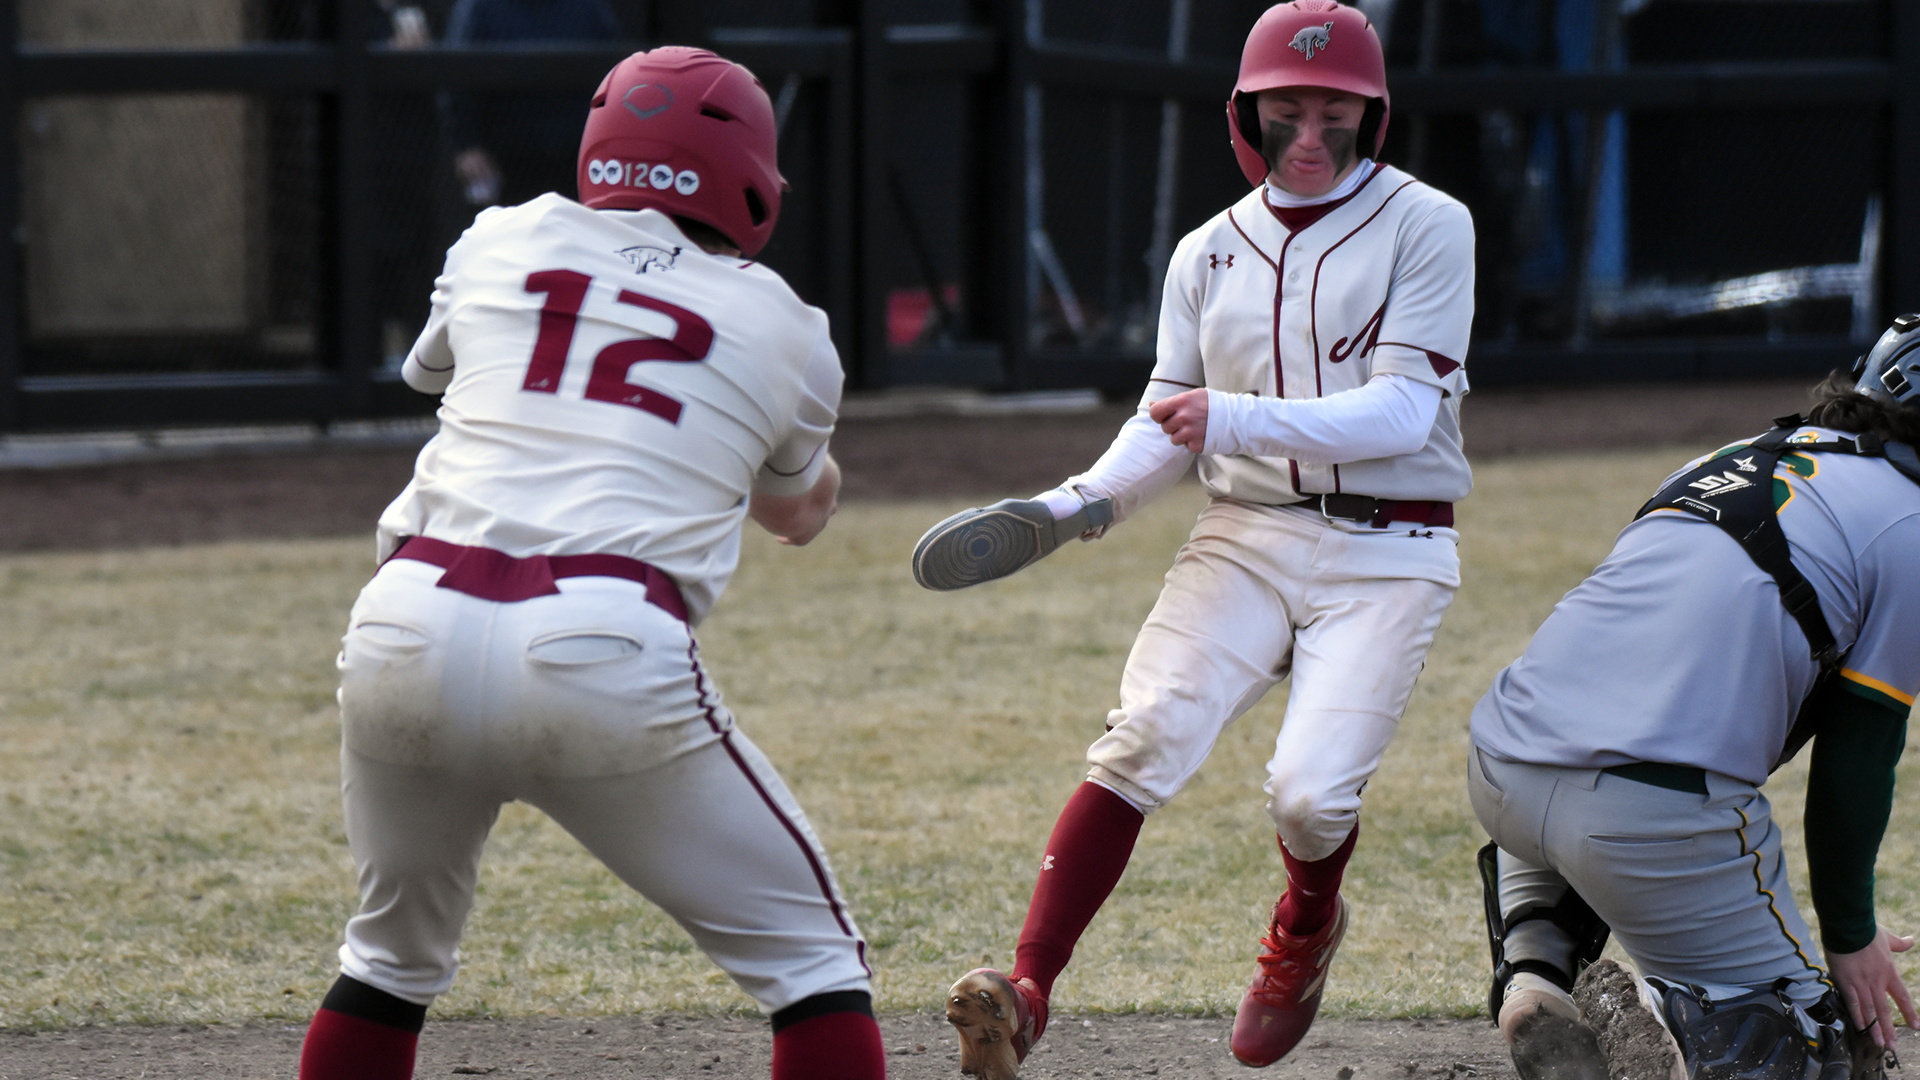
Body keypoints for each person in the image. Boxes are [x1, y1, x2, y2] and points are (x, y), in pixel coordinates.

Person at [296, 47, 888, 1080]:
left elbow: (431, 370)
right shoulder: (790, 325)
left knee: (387, 963)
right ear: (750, 177)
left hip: (405, 624)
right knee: (815, 971)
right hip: (601, 646)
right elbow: (794, 510)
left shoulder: (498, 236)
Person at [917, 2, 1476, 1074]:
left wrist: (1236, 418)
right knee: (1140, 739)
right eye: (1286, 111)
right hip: (1247, 527)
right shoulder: (1206, 251)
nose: (1310, 136)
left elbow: (1404, 415)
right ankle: (1026, 990)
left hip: (1392, 545)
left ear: (1376, 115)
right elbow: (1165, 418)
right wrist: (1077, 503)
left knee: (1310, 797)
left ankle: (1306, 928)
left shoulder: (1428, 223)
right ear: (1242, 116)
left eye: (1336, 113)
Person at [1470, 321, 1920, 1080]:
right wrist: (1851, 938)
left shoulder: (1728, 458)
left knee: (1586, 778)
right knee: (1812, 1060)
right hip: (1642, 821)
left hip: (1502, 764)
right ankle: (1661, 1020)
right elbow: (1856, 761)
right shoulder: (1909, 522)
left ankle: (1536, 971)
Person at [442, 0, 623, 208]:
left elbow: (615, 72)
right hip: (507, 160)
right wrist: (467, 145)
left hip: (576, 158)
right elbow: (457, 78)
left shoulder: (588, 7)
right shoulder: (479, 7)